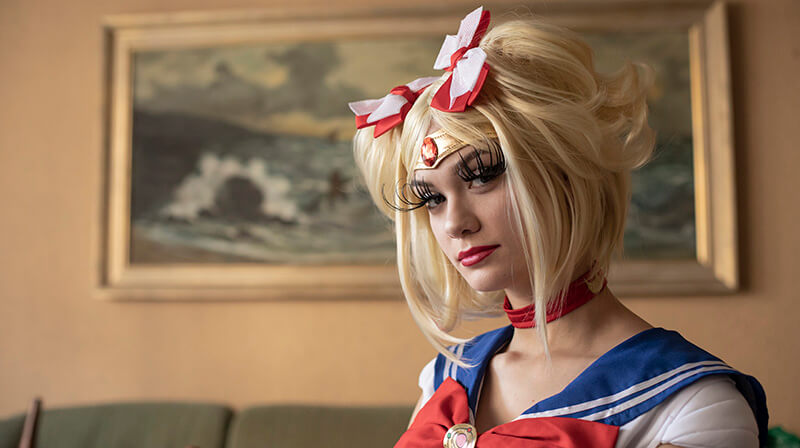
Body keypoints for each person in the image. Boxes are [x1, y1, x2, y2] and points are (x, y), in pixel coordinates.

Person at [348, 7, 768, 447]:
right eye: (432, 199)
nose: (455, 223)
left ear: (567, 173)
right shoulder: (440, 378)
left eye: (483, 176)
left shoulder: (693, 405)